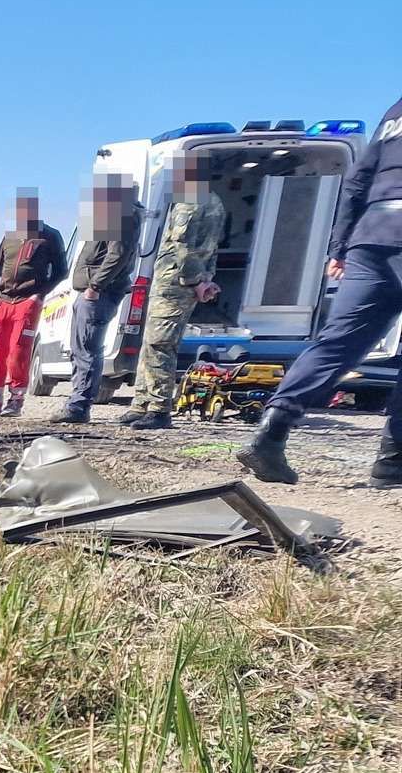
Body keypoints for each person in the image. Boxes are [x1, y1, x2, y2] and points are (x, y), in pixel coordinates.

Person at [237, 95, 402, 489]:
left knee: (336, 343)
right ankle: (392, 463)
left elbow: (359, 179)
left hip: (372, 235)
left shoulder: (396, 111)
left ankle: (272, 432)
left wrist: (340, 245)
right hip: (374, 236)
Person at [119, 153, 226, 430]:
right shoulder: (215, 202)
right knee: (151, 342)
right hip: (183, 283)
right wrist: (207, 278)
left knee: (159, 344)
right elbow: (212, 249)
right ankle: (142, 403)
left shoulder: (190, 202)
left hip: (175, 284)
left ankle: (158, 407)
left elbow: (182, 244)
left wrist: (195, 280)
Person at [58, 174, 142, 424]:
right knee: (80, 348)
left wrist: (95, 286)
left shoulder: (123, 214)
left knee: (87, 348)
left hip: (99, 293)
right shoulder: (110, 215)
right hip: (90, 291)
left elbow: (118, 255)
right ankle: (76, 401)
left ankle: (79, 406)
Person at [0, 191, 67, 418]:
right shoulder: (10, 237)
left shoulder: (50, 236)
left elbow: (61, 271)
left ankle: (15, 400)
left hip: (27, 301)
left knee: (18, 350)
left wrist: (39, 295)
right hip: (3, 301)